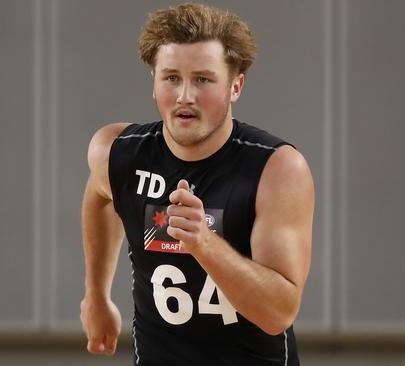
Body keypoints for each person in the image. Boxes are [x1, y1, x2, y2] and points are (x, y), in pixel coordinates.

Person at [79, 3, 314, 365]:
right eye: (171, 77)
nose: (184, 96)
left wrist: (204, 244)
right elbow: (100, 196)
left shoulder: (278, 168)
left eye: (203, 79)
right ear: (154, 81)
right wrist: (96, 295)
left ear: (235, 85)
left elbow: (279, 313)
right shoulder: (116, 152)